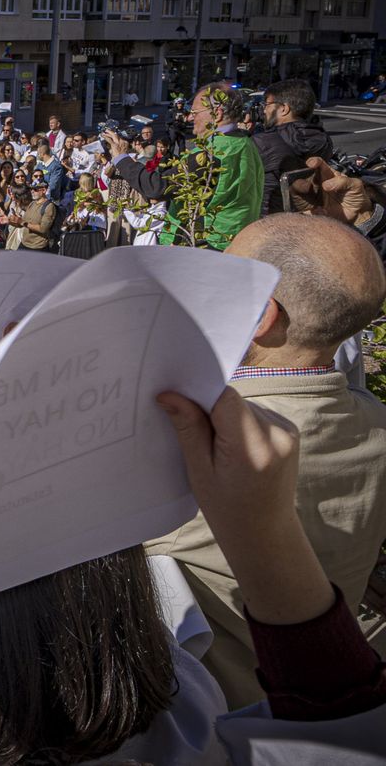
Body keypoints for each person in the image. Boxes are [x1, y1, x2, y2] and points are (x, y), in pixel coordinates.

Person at [148, 213, 386, 708]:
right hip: (306, 696)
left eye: (223, 278)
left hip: (213, 718)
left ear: (261, 315)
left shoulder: (187, 448)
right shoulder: (374, 421)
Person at [170, 82, 265, 249]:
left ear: (217, 114)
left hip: (211, 243)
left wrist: (122, 158)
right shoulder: (244, 141)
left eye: (195, 112)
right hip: (238, 238)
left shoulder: (214, 150)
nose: (191, 118)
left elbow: (158, 186)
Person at [254, 79, 334, 214]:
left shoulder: (263, 142)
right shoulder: (324, 140)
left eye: (267, 105)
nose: (264, 111)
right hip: (308, 217)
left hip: (266, 221)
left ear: (284, 109)